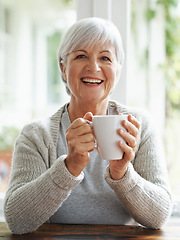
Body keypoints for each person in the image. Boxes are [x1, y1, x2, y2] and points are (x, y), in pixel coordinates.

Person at [4, 17, 172, 235]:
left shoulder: (138, 127)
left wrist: (122, 173)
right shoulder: (37, 135)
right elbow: (17, 221)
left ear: (118, 70)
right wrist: (69, 167)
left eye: (105, 58)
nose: (94, 67)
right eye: (81, 56)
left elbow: (159, 216)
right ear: (63, 67)